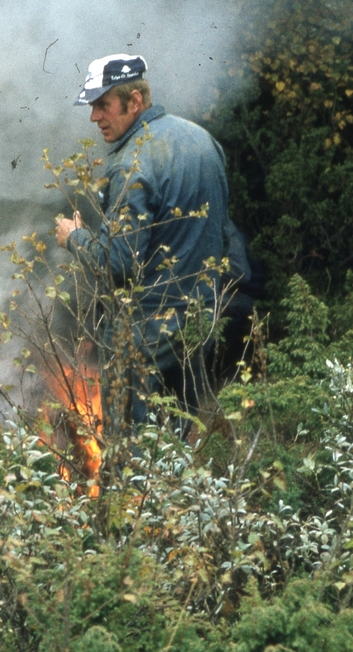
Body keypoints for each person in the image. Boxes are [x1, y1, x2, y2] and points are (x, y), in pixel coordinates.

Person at [55, 54, 230, 436]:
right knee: (176, 440)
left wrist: (75, 238)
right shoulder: (203, 141)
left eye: (103, 105)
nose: (94, 117)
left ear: (134, 101)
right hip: (199, 321)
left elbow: (118, 264)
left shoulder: (131, 163)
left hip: (144, 333)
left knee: (130, 452)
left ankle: (130, 498)